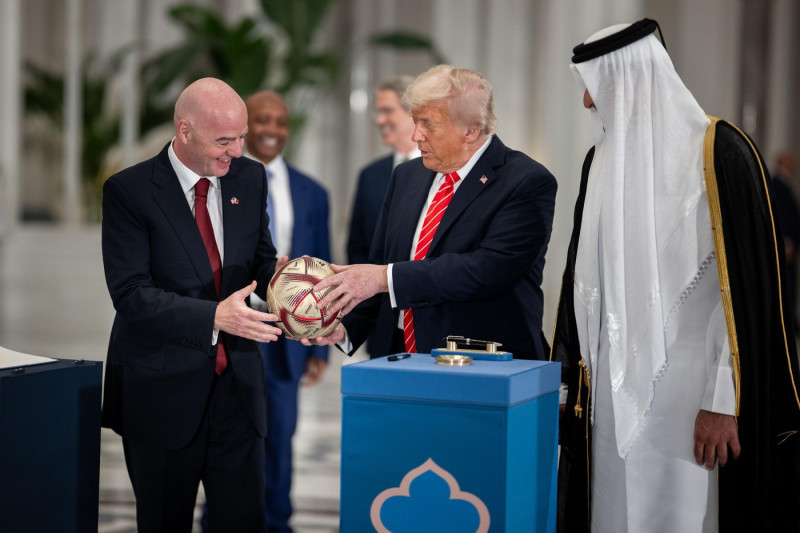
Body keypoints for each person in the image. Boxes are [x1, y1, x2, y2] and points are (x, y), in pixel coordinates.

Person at [551, 19, 800, 532]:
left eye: (594, 87)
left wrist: (723, 402)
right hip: (607, 402)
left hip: (691, 401)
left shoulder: (719, 151)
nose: (587, 102)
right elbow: (584, 286)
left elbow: (742, 297)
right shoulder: (598, 162)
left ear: (629, 80)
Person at [101, 77, 283, 533]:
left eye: (241, 137)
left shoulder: (249, 177)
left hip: (237, 390)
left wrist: (295, 284)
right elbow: (131, 293)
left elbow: (260, 261)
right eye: (224, 141)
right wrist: (214, 317)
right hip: (161, 391)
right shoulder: (129, 191)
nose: (237, 150)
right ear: (184, 130)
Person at [304, 65, 557, 361]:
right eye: (415, 121)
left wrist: (383, 278)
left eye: (428, 124)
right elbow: (381, 262)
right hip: (396, 355)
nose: (416, 136)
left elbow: (487, 270)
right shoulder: (406, 175)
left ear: (471, 130)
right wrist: (344, 328)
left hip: (477, 361)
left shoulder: (526, 181)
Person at [244, 90, 331, 533]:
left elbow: (324, 268)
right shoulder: (221, 182)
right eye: (262, 120)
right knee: (229, 441)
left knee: (281, 436)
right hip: (236, 329)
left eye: (280, 122)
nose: (272, 130)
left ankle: (277, 523)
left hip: (288, 338)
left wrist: (320, 347)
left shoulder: (313, 192)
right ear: (245, 125)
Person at [347, 75, 419, 265]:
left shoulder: (442, 169)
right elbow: (356, 247)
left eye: (387, 111)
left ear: (413, 112)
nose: (380, 120)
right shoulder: (369, 175)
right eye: (378, 112)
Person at [772, 151, 800, 318]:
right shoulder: (776, 184)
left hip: (790, 249)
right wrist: (787, 242)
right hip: (784, 247)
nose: (794, 166)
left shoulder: (786, 184)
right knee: (783, 288)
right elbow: (780, 215)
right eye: (791, 161)